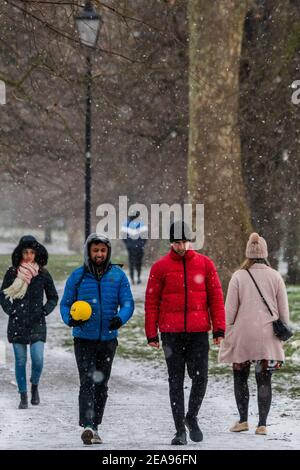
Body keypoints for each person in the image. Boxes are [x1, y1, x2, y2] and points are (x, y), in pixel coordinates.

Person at [145, 221, 225, 445]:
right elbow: (152, 301)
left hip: (199, 332)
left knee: (201, 378)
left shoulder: (205, 265)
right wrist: (152, 333)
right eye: (176, 243)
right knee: (175, 381)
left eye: (183, 242)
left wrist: (219, 329)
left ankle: (191, 416)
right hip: (171, 333)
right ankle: (179, 429)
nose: (180, 247)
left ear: (190, 241)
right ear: (171, 243)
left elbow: (216, 298)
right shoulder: (160, 267)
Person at [60, 233, 134, 445]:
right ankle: (88, 425)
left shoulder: (118, 276)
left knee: (102, 384)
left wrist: (120, 319)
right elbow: (65, 304)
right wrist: (70, 319)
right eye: (95, 250)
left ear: (108, 252)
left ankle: (96, 426)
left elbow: (128, 303)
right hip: (83, 339)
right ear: (88, 252)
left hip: (108, 339)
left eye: (103, 250)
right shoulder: (78, 276)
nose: (99, 254)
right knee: (87, 382)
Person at [218, 232, 290, 436]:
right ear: (265, 253)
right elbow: (283, 312)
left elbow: (229, 311)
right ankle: (262, 424)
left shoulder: (239, 276)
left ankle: (242, 420)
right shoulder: (275, 276)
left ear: (247, 253)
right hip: (268, 336)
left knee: (240, 377)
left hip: (243, 335)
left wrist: (228, 333)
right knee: (264, 380)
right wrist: (281, 331)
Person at [0, 235, 58, 409]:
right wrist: (11, 310)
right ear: (20, 253)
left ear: (36, 253)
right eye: (25, 252)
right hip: (17, 322)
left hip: (37, 322)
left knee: (38, 359)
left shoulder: (43, 274)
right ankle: (23, 395)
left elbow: (53, 297)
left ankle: (34, 386)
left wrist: (44, 310)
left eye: (32, 252)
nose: (28, 256)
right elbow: (2, 295)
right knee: (20, 360)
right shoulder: (12, 273)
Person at [121, 209, 148, 285]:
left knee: (131, 262)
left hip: (131, 247)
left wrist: (128, 244)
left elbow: (123, 236)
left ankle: (133, 279)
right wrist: (141, 244)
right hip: (139, 247)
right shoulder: (141, 223)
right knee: (138, 262)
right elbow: (145, 236)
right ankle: (138, 278)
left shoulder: (126, 224)